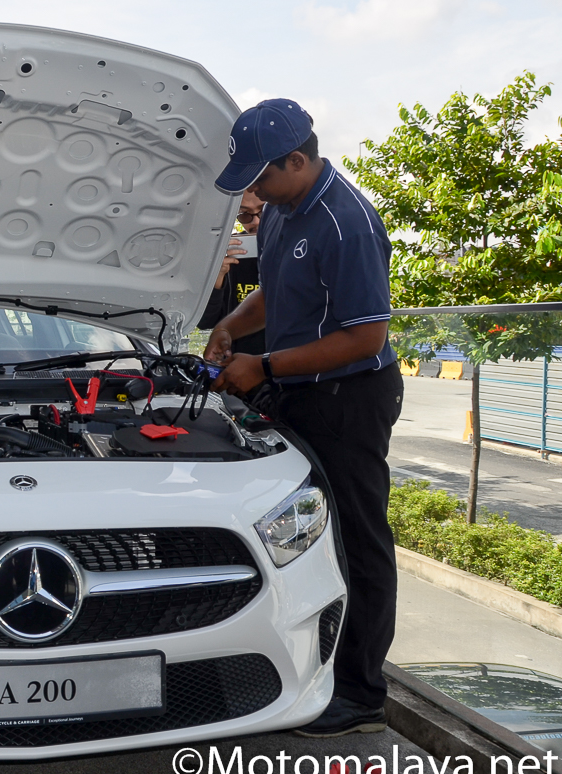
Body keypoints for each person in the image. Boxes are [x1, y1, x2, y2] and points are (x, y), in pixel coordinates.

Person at [205, 98, 403, 738]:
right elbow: (279, 291)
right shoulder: (284, 212)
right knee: (299, 532)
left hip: (350, 398)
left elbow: (366, 337)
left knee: (357, 542)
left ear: (297, 159)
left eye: (261, 177)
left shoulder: (347, 222)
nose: (255, 192)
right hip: (300, 390)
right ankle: (302, 666)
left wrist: (263, 366)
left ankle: (361, 695)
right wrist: (232, 327)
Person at [198, 191, 266, 355]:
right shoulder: (231, 254)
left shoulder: (299, 250)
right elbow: (207, 321)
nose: (256, 221)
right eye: (244, 215)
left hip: (290, 362)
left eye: (264, 210)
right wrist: (217, 275)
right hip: (240, 360)